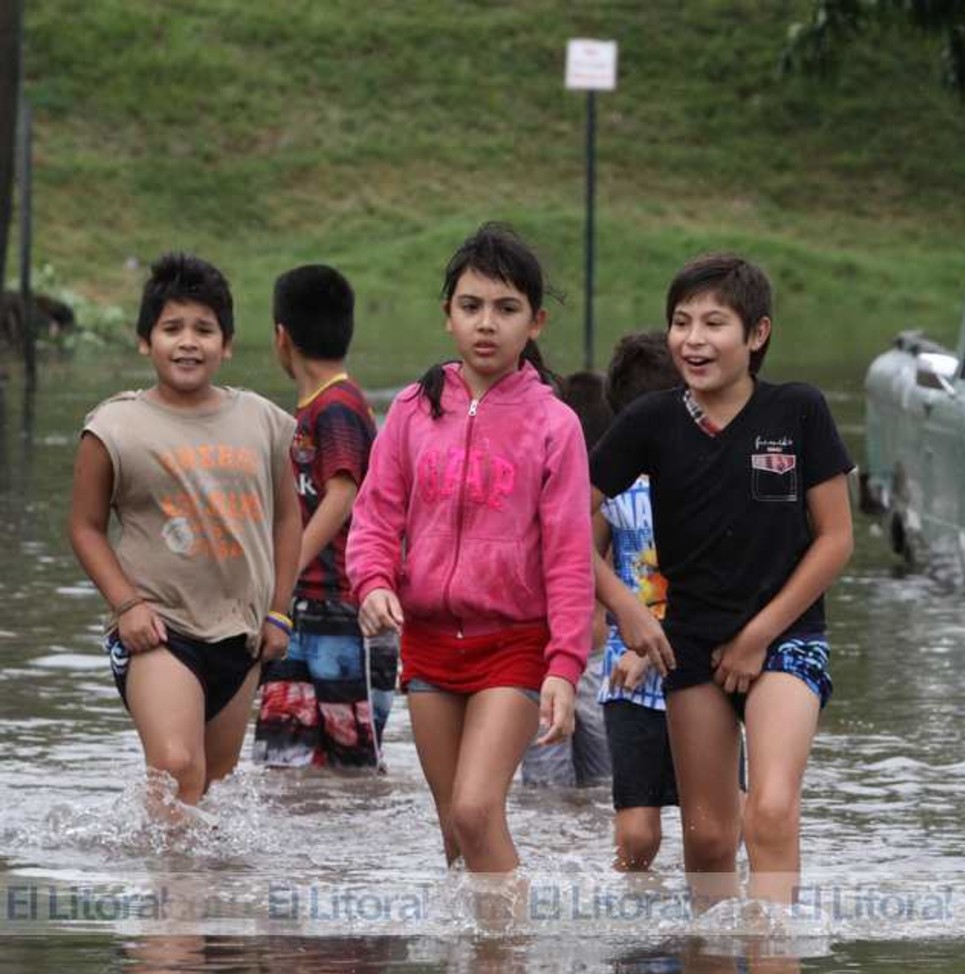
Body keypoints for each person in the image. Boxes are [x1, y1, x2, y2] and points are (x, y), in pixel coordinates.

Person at [590, 254, 854, 906]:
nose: (693, 339)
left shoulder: (797, 412)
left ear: (756, 334)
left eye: (714, 323)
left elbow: (836, 539)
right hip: (689, 644)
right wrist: (624, 606)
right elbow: (564, 519)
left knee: (767, 809)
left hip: (786, 639)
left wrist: (759, 635)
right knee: (707, 843)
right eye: (680, 323)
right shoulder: (650, 420)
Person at [346, 222, 593, 873]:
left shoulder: (554, 424)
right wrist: (372, 583)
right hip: (426, 642)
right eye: (472, 306)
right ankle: (475, 967)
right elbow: (374, 513)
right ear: (448, 316)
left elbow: (569, 557)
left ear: (534, 322)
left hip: (513, 644)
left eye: (507, 309)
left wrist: (564, 668)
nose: (488, 324)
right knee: (455, 834)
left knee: (476, 811)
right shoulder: (409, 409)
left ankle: (509, 971)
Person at [66, 253, 300, 818]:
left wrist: (279, 612)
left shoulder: (263, 421)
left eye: (204, 329)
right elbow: (84, 526)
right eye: (172, 328)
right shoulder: (115, 428)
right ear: (146, 342)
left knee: (212, 792)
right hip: (158, 630)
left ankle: (196, 901)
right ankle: (172, 905)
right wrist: (126, 604)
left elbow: (288, 518)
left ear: (227, 344)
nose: (188, 342)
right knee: (175, 767)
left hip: (240, 636)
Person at [251, 264, 387, 770]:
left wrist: (282, 571)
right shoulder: (307, 411)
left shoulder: (338, 407)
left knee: (351, 764)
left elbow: (342, 494)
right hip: (298, 609)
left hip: (341, 608)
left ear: (281, 337)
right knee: (282, 762)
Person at [590, 331, 684, 870]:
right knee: (637, 833)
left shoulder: (702, 480)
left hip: (695, 670)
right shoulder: (611, 487)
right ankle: (631, 935)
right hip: (625, 683)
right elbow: (583, 557)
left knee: (721, 819)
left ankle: (706, 936)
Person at [519, 369, 613, 790]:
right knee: (607, 792)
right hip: (594, 663)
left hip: (551, 661)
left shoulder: (555, 499)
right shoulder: (617, 499)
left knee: (546, 795)